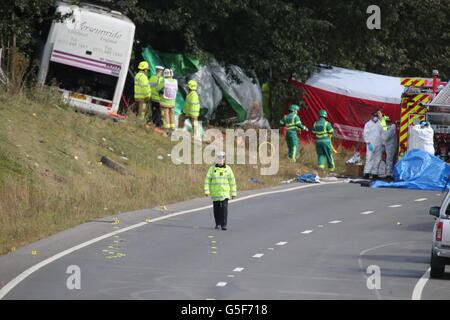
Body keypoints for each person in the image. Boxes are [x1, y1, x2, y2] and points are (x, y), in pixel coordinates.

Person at [204, 152, 237, 230]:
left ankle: (224, 224)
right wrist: (206, 191)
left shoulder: (228, 169)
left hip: (225, 193)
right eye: (218, 158)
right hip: (215, 193)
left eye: (221, 158)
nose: (220, 160)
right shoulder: (212, 169)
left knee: (224, 208)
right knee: (216, 209)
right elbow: (207, 180)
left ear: (224, 159)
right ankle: (218, 223)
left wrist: (233, 193)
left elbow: (232, 181)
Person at [363, 112, 383, 179]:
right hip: (371, 144)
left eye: (376, 116)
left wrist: (383, 144)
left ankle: (375, 173)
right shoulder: (368, 124)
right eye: (374, 116)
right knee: (369, 158)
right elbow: (365, 134)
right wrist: (368, 142)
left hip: (379, 144)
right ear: (371, 116)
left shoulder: (380, 124)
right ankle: (367, 173)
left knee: (377, 159)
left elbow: (383, 133)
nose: (375, 117)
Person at [160, 68, 178, 133]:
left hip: (164, 102)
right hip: (172, 102)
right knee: (172, 114)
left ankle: (166, 130)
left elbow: (157, 89)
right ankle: (173, 128)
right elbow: (176, 90)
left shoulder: (164, 81)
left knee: (166, 115)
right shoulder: (175, 81)